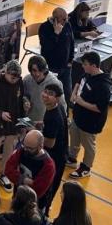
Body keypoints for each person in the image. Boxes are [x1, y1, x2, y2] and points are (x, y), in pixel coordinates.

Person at [67, 52, 111, 179]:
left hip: (91, 122)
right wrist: (74, 94)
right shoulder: (88, 73)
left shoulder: (103, 85)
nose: (83, 66)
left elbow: (99, 108)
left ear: (94, 65)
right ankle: (72, 158)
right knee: (74, 136)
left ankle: (86, 167)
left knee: (88, 145)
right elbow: (79, 81)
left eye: (85, 64)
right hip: (78, 116)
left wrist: (81, 102)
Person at [0, 60, 26, 192]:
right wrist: (0, 113)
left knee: (9, 152)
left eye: (17, 77)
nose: (15, 80)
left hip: (12, 124)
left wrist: (23, 123)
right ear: (6, 73)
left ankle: (4, 174)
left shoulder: (19, 82)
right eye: (12, 77)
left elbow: (20, 102)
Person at [38, 83, 68, 214]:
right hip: (60, 155)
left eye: (50, 94)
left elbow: (50, 143)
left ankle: (43, 212)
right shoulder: (57, 108)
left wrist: (34, 134)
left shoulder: (53, 117)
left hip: (55, 159)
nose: (45, 95)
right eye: (45, 91)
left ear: (57, 98)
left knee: (48, 188)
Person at [4, 129, 56, 202]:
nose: (25, 150)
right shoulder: (22, 151)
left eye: (30, 148)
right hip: (18, 197)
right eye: (24, 146)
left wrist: (17, 178)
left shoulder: (48, 166)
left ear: (40, 146)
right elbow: (8, 170)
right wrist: (23, 179)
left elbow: (37, 191)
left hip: (35, 204)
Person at [39, 7, 75, 102]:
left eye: (67, 18)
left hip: (66, 66)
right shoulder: (44, 28)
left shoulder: (67, 25)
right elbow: (47, 48)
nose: (66, 21)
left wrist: (71, 60)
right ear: (55, 19)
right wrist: (56, 34)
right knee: (51, 93)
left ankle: (66, 112)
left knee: (67, 91)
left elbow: (71, 42)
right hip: (51, 67)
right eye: (64, 19)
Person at [22, 55, 65, 123]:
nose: (38, 74)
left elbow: (62, 106)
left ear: (45, 69)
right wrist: (25, 100)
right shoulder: (27, 80)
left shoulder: (54, 83)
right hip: (29, 121)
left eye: (40, 70)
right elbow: (22, 95)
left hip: (45, 123)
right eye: (34, 71)